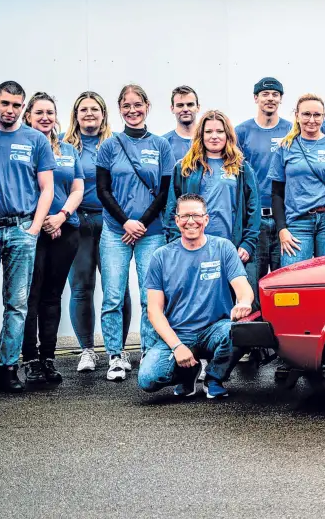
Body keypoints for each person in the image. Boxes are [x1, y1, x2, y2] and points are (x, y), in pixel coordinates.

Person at [0, 80, 56, 393]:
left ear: (23, 107)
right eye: (5, 103)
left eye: (16, 105)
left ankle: (8, 369)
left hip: (22, 230)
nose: (11, 110)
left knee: (17, 304)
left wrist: (34, 228)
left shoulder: (36, 139)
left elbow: (46, 187)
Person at [138, 194, 254, 399]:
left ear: (206, 219)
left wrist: (244, 303)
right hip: (178, 333)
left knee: (240, 329)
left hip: (215, 329)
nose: (191, 221)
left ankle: (214, 377)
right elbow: (154, 311)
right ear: (176, 220)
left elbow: (243, 287)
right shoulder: (161, 256)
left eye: (196, 215)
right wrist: (177, 346)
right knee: (148, 379)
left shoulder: (223, 247)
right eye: (185, 216)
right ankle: (188, 373)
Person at [95, 84, 174, 382]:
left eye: (137, 104)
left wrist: (140, 223)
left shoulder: (161, 146)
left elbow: (164, 192)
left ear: (147, 106)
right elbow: (102, 190)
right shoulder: (109, 146)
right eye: (126, 105)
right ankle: (115, 355)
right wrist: (126, 222)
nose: (132, 110)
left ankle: (149, 351)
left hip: (151, 232)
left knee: (148, 297)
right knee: (113, 296)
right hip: (116, 231)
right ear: (119, 109)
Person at [63, 90, 131, 373]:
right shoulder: (65, 146)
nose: (89, 114)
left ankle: (120, 350)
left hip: (111, 223)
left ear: (104, 114)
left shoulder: (116, 145)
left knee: (117, 288)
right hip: (78, 223)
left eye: (95, 109)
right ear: (75, 116)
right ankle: (87, 350)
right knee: (81, 287)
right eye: (83, 110)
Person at [20, 92, 83, 387]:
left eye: (50, 112)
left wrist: (61, 216)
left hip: (65, 229)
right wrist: (44, 221)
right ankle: (30, 359)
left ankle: (48, 357)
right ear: (28, 116)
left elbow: (77, 188)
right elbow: (20, 187)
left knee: (52, 296)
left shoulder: (69, 150)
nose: (45, 117)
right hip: (32, 230)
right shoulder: (22, 146)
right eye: (39, 112)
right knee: (29, 296)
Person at [164, 110, 261, 285]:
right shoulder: (185, 168)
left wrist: (248, 243)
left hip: (232, 247)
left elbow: (253, 208)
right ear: (201, 135)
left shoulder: (241, 168)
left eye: (219, 131)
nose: (214, 136)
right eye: (208, 132)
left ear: (228, 135)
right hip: (195, 247)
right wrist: (177, 243)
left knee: (236, 302)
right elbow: (172, 208)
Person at [270, 94, 325, 266]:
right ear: (297, 115)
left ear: (324, 116)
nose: (312, 120)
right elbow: (276, 193)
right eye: (306, 114)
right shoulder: (285, 147)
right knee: (292, 280)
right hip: (297, 223)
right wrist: (282, 229)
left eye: (317, 115)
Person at [236, 77, 292, 278]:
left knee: (283, 283)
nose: (270, 98)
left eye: (275, 95)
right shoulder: (241, 132)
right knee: (253, 282)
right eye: (265, 94)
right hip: (254, 220)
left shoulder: (291, 131)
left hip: (285, 220)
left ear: (281, 99)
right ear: (255, 98)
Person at [162, 85, 200, 163]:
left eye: (190, 104)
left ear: (198, 107)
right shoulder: (164, 143)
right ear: (172, 109)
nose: (185, 109)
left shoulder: (210, 140)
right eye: (180, 105)